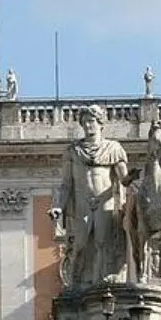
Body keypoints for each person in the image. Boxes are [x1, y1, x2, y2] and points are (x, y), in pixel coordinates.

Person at [48, 103, 132, 287]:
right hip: (82, 203)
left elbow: (123, 179)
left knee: (103, 241)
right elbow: (66, 185)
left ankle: (100, 283)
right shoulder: (73, 151)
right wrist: (58, 207)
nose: (88, 126)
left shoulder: (113, 148)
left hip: (105, 202)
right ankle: (77, 282)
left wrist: (131, 178)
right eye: (84, 122)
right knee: (81, 243)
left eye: (91, 121)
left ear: (100, 123)